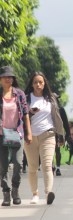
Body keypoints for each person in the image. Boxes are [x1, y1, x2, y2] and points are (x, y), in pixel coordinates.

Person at [24, 72, 64, 205]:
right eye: (35, 82)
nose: (38, 85)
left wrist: (61, 135)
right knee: (33, 167)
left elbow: (57, 117)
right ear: (32, 84)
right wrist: (30, 112)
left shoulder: (50, 98)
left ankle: (48, 193)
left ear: (44, 83)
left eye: (40, 82)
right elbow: (21, 116)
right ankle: (35, 194)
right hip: (30, 136)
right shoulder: (26, 98)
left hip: (48, 134)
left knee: (47, 165)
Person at [0, 66, 32, 206]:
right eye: (5, 76)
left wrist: (28, 132)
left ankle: (15, 190)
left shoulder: (19, 94)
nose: (8, 78)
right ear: (0, 79)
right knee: (3, 166)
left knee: (19, 163)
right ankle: (6, 193)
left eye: (10, 76)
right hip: (1, 135)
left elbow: (25, 114)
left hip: (17, 133)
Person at [53, 93, 70, 176]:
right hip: (48, 132)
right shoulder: (46, 109)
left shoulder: (61, 109)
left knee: (57, 150)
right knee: (50, 151)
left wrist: (68, 133)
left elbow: (65, 122)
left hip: (58, 133)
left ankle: (58, 168)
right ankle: (52, 166)